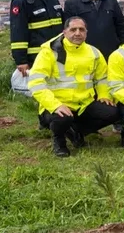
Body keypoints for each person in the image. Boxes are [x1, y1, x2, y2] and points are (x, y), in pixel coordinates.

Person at [28, 17, 118, 157]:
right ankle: (59, 141)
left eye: (81, 30)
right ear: (64, 32)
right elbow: (35, 83)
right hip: (55, 106)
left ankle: (76, 132)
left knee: (112, 112)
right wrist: (55, 105)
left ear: (86, 33)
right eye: (73, 29)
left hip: (83, 104)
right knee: (62, 118)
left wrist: (103, 95)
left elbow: (102, 78)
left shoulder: (93, 52)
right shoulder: (49, 52)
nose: (77, 33)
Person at [10, 0, 64, 78]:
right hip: (35, 58)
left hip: (57, 56)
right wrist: (21, 61)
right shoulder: (20, 2)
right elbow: (18, 32)